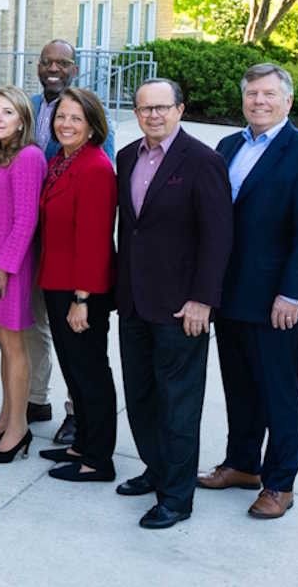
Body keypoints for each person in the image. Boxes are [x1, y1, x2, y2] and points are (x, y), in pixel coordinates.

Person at [199, 63, 298, 520]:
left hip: (275, 300)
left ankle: (280, 482)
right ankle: (242, 463)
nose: (258, 101)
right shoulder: (228, 146)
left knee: (278, 391)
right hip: (229, 294)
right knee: (238, 386)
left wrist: (293, 295)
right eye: (252, 94)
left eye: (268, 94)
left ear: (287, 100)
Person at [114, 78, 233, 529]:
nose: (153, 116)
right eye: (145, 109)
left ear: (180, 109)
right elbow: (132, 231)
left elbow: (219, 238)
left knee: (178, 405)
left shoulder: (203, 162)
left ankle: (177, 498)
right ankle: (156, 468)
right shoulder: (127, 158)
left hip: (182, 308)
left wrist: (204, 299)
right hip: (134, 303)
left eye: (163, 107)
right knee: (141, 397)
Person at [26, 39, 118, 445]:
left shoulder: (95, 163)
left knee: (87, 365)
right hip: (51, 267)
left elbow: (95, 234)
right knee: (69, 357)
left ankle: (90, 443)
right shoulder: (57, 152)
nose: (65, 125)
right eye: (61, 118)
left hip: (79, 282)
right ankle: (80, 443)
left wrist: (82, 298)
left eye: (75, 119)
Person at [0, 85, 47, 464]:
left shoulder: (29, 157)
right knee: (3, 343)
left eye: (8, 113)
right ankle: (5, 418)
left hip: (9, 266)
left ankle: (19, 428)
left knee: (15, 346)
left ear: (22, 121)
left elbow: (26, 220)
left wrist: (4, 267)